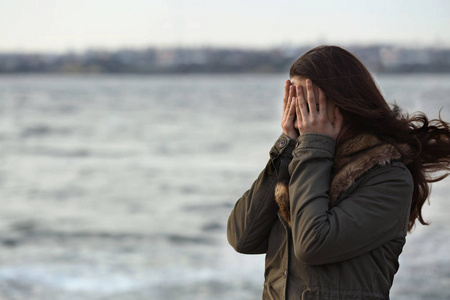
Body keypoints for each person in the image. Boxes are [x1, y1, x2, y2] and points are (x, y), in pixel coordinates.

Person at [226, 45, 450, 300]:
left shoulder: (389, 178)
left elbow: (312, 244)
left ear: (344, 104)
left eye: (310, 101)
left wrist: (313, 144)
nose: (301, 110)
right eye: (295, 100)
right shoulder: (300, 159)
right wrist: (286, 145)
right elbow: (242, 237)